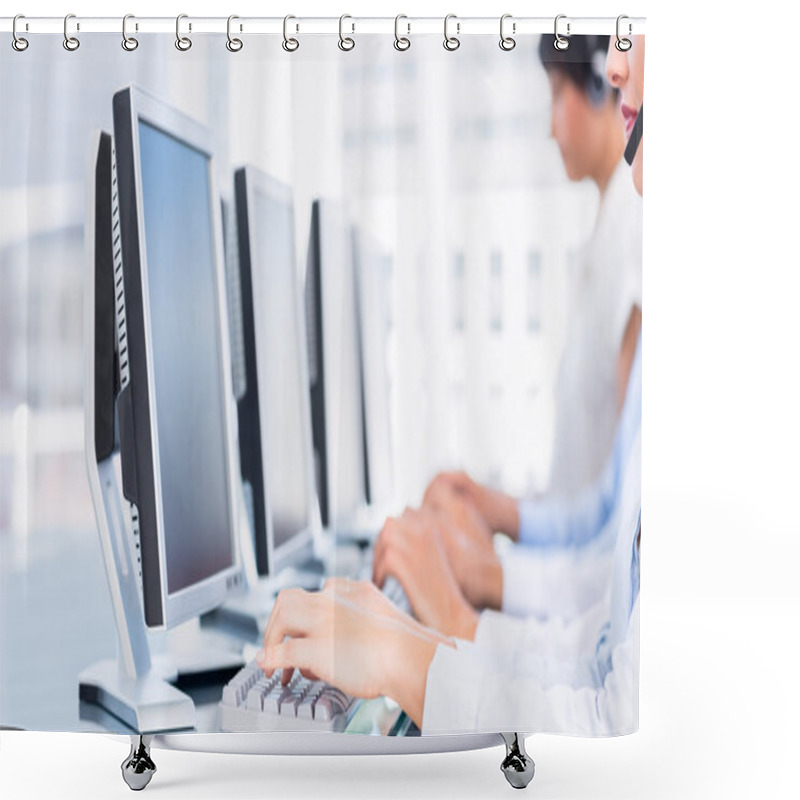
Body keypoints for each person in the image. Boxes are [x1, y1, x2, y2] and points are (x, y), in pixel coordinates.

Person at [258, 34, 645, 735]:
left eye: (559, 92)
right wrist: (421, 640)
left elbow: (608, 716)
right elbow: (599, 648)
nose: (617, 72)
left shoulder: (637, 250)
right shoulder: (621, 235)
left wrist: (431, 638)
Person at [537, 34, 642, 494]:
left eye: (559, 93)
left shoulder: (633, 226)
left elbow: (617, 525)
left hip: (582, 564)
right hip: (569, 557)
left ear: (602, 84)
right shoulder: (608, 225)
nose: (551, 128)